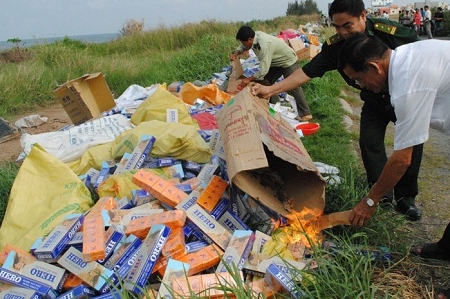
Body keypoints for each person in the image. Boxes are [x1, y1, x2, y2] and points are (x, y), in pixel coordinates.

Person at [252, 0, 424, 221]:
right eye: (337, 26)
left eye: (348, 25)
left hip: (405, 100)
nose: (343, 32)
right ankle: (380, 197)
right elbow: (307, 72)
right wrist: (271, 89)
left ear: (363, 16)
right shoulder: (337, 46)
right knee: (369, 144)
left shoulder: (388, 33)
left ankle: (406, 200)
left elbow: (419, 55)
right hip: (373, 101)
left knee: (412, 148)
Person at [336, 34, 450, 249]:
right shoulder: (406, 57)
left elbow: (401, 160)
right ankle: (446, 248)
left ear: (374, 67)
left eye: (358, 79)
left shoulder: (408, 86)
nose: (360, 86)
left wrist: (369, 202)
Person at [231, 25, 313, 121]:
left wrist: (248, 79)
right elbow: (243, 46)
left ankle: (306, 113)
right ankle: (274, 107)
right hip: (275, 62)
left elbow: (263, 70)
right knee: (266, 82)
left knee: (294, 86)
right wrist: (236, 53)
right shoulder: (253, 37)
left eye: (243, 42)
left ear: (249, 39)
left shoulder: (264, 46)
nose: (242, 44)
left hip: (287, 60)